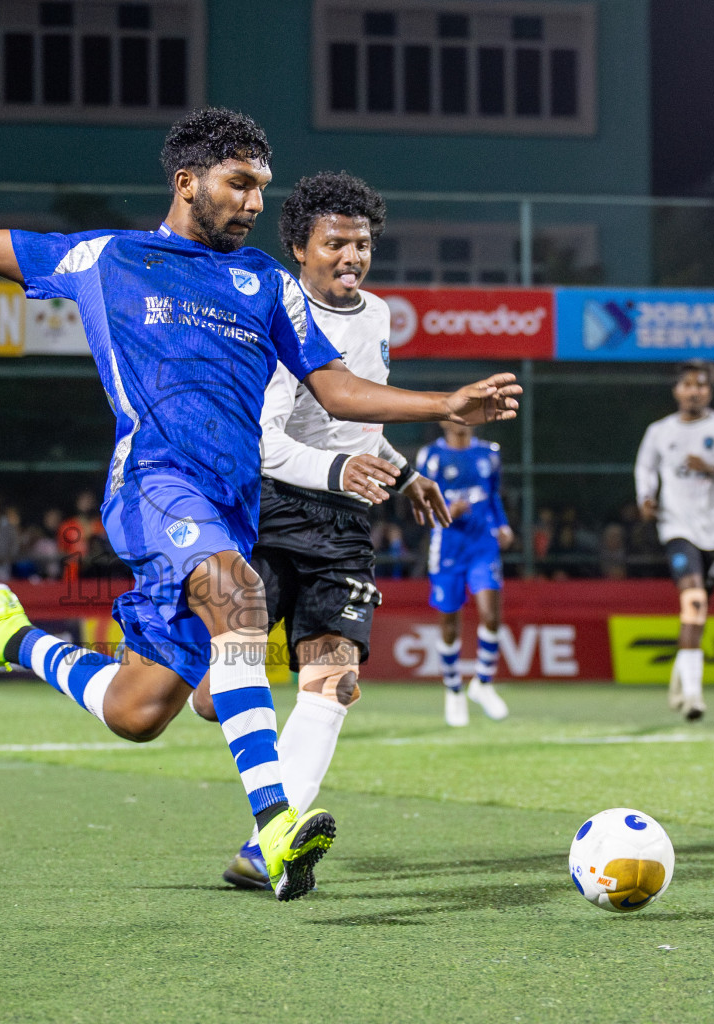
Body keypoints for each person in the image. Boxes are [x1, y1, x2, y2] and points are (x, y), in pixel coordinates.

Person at [0, 90, 520, 900]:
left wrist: (441, 405)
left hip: (231, 507)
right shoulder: (109, 259)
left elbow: (335, 389)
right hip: (155, 487)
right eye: (239, 183)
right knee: (238, 592)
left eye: (262, 187)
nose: (255, 202)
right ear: (188, 180)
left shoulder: (265, 281)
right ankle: (275, 824)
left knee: (138, 711)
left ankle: (10, 635)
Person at [190, 171, 452, 890]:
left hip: (341, 525)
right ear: (300, 249)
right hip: (270, 509)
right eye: (335, 243)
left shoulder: (378, 315)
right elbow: (263, 443)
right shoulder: (277, 311)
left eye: (362, 243)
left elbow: (358, 424)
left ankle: (262, 848)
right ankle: (197, 680)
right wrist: (340, 473)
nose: (352, 256)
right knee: (217, 693)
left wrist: (401, 474)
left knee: (333, 678)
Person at [634, 359, 714, 721]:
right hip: (677, 529)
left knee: (696, 614)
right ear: (676, 390)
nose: (694, 391)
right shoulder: (659, 431)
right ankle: (693, 696)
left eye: (701, 385)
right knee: (694, 603)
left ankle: (680, 675)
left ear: (710, 390)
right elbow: (644, 467)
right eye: (687, 385)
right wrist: (646, 497)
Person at [416, 422, 515, 726]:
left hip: (482, 545)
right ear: (444, 420)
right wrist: (447, 508)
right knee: (449, 624)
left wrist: (503, 525)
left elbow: (493, 494)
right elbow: (420, 508)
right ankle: (453, 689)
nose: (463, 420)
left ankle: (483, 683)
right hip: (447, 548)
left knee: (492, 616)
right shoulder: (431, 456)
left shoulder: (489, 453)